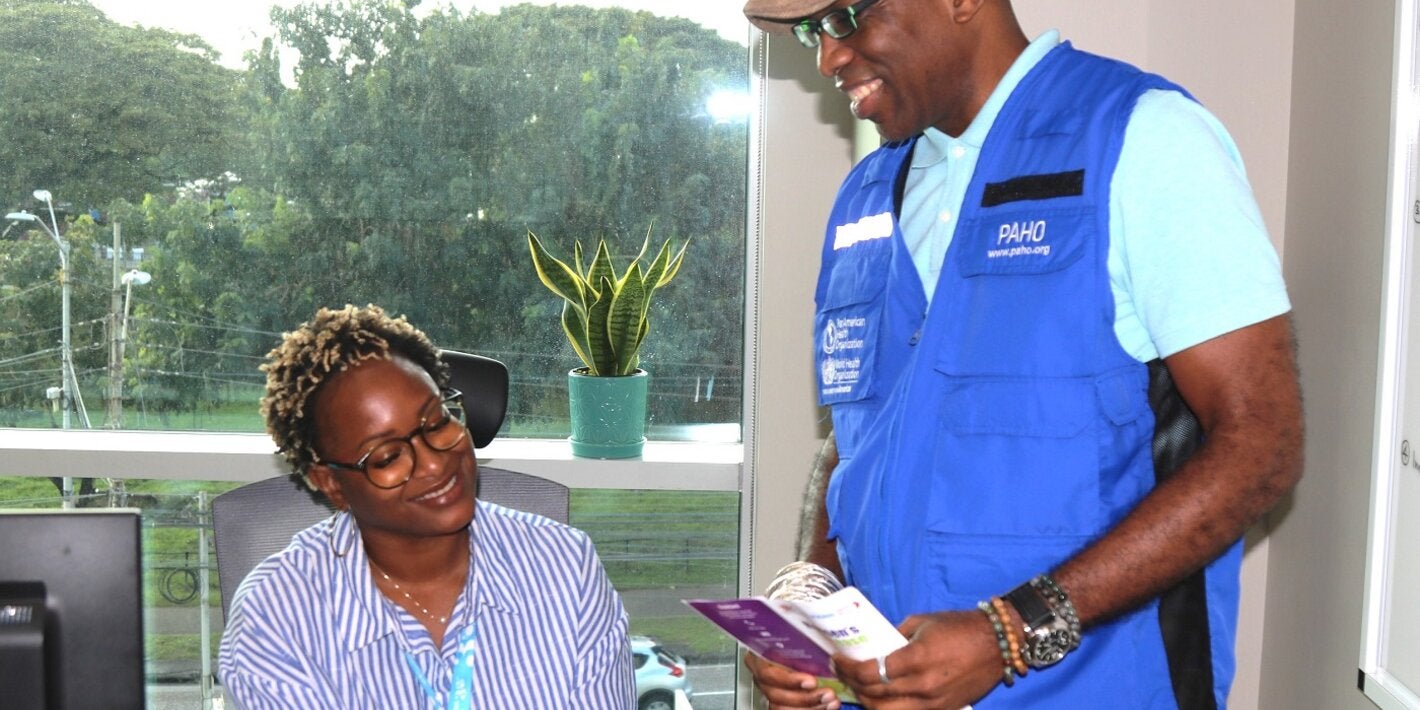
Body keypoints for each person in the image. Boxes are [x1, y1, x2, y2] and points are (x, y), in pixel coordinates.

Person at [741, 1, 1304, 708]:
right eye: (810, 32)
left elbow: (1264, 443)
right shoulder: (864, 197)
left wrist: (1012, 630)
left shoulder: (1142, 137)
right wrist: (812, 604)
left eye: (847, 16)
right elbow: (857, 446)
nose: (827, 57)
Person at [217, 304, 634, 708]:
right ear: (331, 484)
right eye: (387, 457)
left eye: (436, 423)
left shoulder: (565, 568)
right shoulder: (273, 619)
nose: (435, 462)